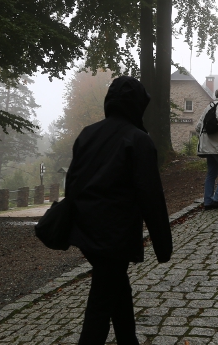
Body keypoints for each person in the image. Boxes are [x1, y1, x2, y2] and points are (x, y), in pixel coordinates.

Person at [66, 76, 173, 345]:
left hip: (86, 230)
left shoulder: (88, 134)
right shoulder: (138, 140)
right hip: (115, 234)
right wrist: (163, 245)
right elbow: (151, 196)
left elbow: (73, 183)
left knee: (115, 286)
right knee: (101, 303)